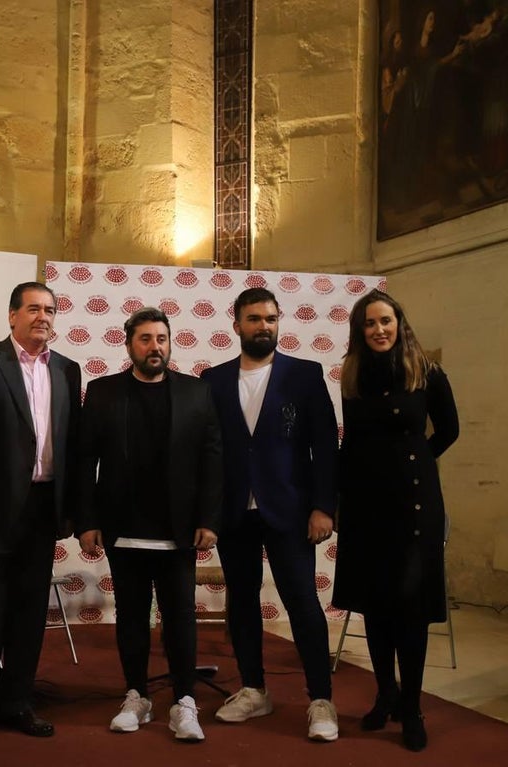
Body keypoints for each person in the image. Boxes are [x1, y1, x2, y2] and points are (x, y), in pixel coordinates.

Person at [200, 287, 340, 742]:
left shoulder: (304, 374)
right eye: (254, 318)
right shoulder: (213, 380)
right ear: (236, 323)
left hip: (293, 511)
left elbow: (325, 445)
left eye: (271, 319)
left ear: (279, 322)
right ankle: (253, 689)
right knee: (241, 604)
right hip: (235, 512)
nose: (264, 326)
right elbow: (208, 451)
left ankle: (321, 699)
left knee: (302, 603)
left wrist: (324, 507)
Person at [76, 307, 222, 743]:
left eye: (161, 338)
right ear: (129, 345)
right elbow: (85, 462)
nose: (154, 346)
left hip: (178, 532)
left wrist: (210, 520)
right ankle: (136, 695)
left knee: (180, 620)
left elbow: (213, 460)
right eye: (145, 339)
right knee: (132, 618)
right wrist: (87, 520)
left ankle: (184, 701)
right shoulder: (102, 392)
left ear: (170, 343)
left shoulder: (197, 393)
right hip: (123, 529)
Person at [330, 289, 459, 753]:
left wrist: (418, 463)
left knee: (410, 609)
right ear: (359, 330)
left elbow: (449, 429)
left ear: (399, 323)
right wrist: (340, 497)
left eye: (385, 321)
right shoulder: (353, 373)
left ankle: (412, 705)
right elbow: (353, 441)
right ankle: (384, 693)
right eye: (369, 323)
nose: (378, 330)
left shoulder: (426, 371)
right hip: (366, 504)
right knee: (376, 605)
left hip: (414, 506)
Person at [0, 282, 81, 740]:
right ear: (12, 316)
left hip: (44, 508)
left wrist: (72, 509)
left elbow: (71, 443)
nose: (42, 317)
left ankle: (17, 701)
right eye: (32, 309)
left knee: (30, 614)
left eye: (50, 309)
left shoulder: (69, 369)